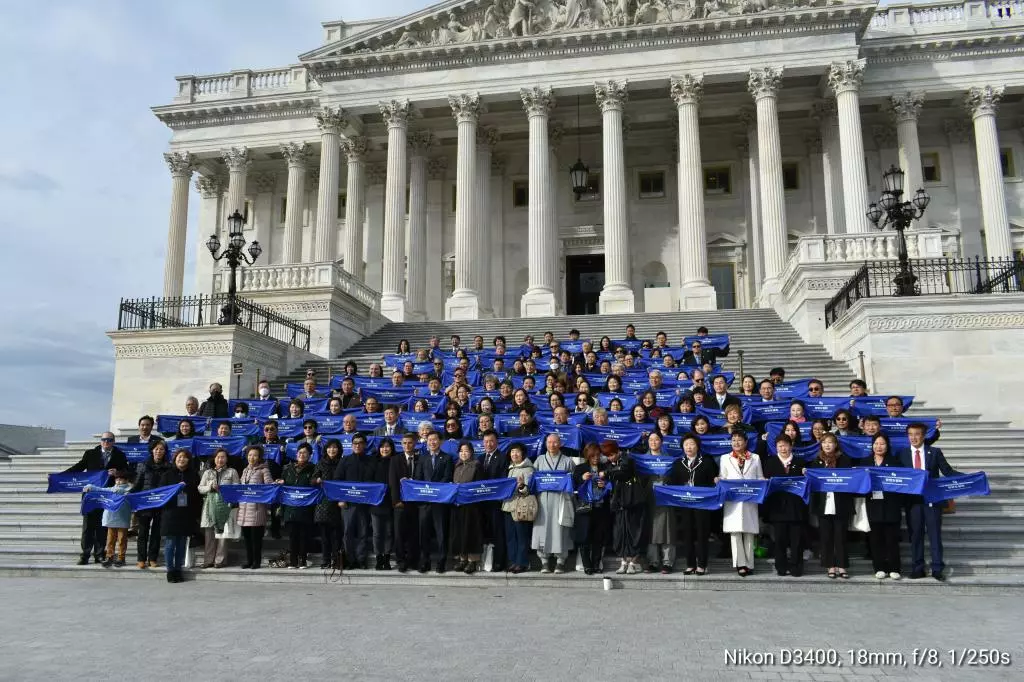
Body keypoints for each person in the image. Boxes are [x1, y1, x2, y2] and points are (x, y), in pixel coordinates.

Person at [898, 422, 960, 581]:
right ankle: (918, 568)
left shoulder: (935, 452)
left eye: (917, 434)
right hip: (913, 501)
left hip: (933, 499)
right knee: (916, 535)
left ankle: (937, 568)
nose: (914, 438)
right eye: (910, 434)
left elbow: (948, 471)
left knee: (934, 535)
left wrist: (969, 478)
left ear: (924, 436)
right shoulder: (902, 454)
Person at [65, 432, 128, 565]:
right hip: (91, 495)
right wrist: (60, 476)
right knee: (88, 526)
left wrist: (118, 473)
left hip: (107, 495)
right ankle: (85, 554)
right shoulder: (90, 453)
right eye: (104, 439)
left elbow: (127, 472)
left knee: (102, 525)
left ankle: (99, 554)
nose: (107, 442)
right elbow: (78, 467)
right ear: (100, 441)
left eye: (110, 440)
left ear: (114, 441)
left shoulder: (120, 455)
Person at [666, 433, 718, 575]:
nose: (689, 447)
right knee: (687, 534)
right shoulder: (678, 463)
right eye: (686, 444)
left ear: (697, 446)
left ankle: (702, 564)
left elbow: (712, 482)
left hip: (702, 504)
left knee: (702, 533)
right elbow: (673, 482)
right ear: (682, 447)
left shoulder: (707, 461)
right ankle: (690, 564)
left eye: (692, 444)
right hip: (685, 504)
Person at [807, 433, 853, 579]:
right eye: (824, 442)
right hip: (823, 504)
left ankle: (842, 566)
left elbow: (850, 480)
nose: (827, 445)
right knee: (826, 537)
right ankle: (830, 566)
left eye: (830, 442)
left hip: (840, 503)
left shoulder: (844, 460)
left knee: (841, 537)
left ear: (835, 445)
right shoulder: (816, 462)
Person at [761, 434, 807, 577]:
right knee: (780, 539)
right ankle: (781, 567)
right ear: (776, 448)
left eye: (785, 445)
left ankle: (796, 567)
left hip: (796, 507)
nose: (783, 448)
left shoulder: (800, 462)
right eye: (780, 446)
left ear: (791, 446)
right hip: (777, 507)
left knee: (796, 540)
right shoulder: (770, 462)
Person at [719, 431, 763, 577]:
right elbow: (723, 476)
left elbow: (759, 477)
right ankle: (740, 564)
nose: (736, 443)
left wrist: (764, 481)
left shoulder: (755, 458)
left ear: (745, 442)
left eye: (739, 440)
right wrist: (718, 479)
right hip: (733, 500)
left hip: (750, 499)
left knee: (749, 531)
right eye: (733, 440)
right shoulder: (725, 458)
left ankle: (750, 563)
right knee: (735, 532)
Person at [532, 433, 575, 574]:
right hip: (543, 500)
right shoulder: (539, 460)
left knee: (561, 529)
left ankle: (560, 561)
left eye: (555, 442)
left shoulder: (567, 461)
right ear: (546, 444)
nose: (552, 445)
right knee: (542, 529)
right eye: (549, 442)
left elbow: (573, 481)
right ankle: (544, 561)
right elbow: (533, 480)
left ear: (560, 443)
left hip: (561, 500)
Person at [864, 433, 904, 580]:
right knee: (875, 540)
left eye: (882, 444)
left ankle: (895, 568)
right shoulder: (865, 462)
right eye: (876, 443)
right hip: (872, 505)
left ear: (887, 446)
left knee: (892, 540)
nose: (879, 446)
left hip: (891, 505)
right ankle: (879, 567)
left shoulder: (895, 463)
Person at [414, 431, 454, 573]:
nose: (432, 442)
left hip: (440, 502)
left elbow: (447, 477)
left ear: (440, 441)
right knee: (423, 533)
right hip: (424, 503)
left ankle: (441, 561)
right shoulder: (422, 458)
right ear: (426, 442)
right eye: (429, 440)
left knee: (441, 533)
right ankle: (425, 561)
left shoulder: (447, 458)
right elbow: (418, 477)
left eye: (435, 440)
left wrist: (435, 490)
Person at [159, 449, 201, 584]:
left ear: (188, 460)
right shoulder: (167, 475)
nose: (181, 459)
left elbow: (197, 496)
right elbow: (161, 494)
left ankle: (178, 569)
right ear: (175, 459)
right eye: (179, 457)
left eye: (184, 457)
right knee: (170, 544)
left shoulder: (194, 475)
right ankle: (170, 571)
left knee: (182, 544)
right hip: (170, 513)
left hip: (186, 514)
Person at [606, 440, 647, 575]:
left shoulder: (627, 459)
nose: (610, 457)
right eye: (607, 455)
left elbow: (623, 473)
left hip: (633, 502)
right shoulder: (610, 464)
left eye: (611, 454)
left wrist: (607, 473)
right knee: (620, 534)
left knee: (634, 532)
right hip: (619, 504)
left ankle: (633, 563)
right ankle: (623, 562)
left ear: (617, 451)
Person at [333, 434, 373, 569]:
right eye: (355, 443)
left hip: (364, 504)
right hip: (348, 503)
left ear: (365, 445)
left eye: (360, 443)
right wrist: (340, 498)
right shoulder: (345, 460)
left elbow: (374, 482)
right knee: (347, 532)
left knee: (363, 533)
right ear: (351, 445)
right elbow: (337, 479)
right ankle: (350, 560)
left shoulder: (371, 461)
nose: (357, 445)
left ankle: (361, 559)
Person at [131, 440, 172, 568]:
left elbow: (170, 486)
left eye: (161, 449)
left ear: (165, 452)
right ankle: (141, 559)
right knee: (142, 532)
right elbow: (138, 484)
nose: (159, 451)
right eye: (156, 449)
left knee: (156, 533)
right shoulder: (143, 465)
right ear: (152, 450)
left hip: (161, 503)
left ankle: (153, 558)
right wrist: (129, 494)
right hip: (145, 504)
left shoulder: (169, 467)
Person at [572, 442, 610, 575]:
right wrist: (582, 479)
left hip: (600, 507)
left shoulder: (605, 467)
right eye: (593, 455)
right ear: (587, 455)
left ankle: (596, 564)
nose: (595, 458)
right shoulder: (580, 468)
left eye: (598, 455)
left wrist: (604, 484)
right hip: (585, 508)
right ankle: (587, 565)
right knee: (584, 537)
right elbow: (573, 484)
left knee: (598, 538)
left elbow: (611, 485)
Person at [198, 448, 240, 568]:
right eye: (218, 457)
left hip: (225, 507)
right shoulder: (207, 472)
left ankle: (220, 561)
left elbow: (237, 488)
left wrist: (224, 490)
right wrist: (210, 487)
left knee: (222, 535)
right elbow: (200, 488)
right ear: (214, 459)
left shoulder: (232, 472)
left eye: (223, 457)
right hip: (209, 507)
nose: (220, 459)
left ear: (227, 459)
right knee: (209, 534)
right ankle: (208, 560)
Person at [82, 470, 132, 568]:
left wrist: (123, 492)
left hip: (123, 517)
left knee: (122, 540)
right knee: (110, 540)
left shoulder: (129, 490)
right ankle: (109, 557)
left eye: (121, 479)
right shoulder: (112, 489)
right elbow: (101, 490)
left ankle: (121, 558)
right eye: (117, 479)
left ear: (126, 480)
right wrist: (91, 487)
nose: (118, 481)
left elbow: (131, 495)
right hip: (111, 517)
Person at [642, 432, 677, 574]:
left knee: (667, 529)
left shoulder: (669, 459)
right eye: (651, 439)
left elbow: (675, 478)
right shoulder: (642, 460)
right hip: (648, 498)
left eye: (656, 439)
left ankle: (668, 562)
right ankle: (653, 562)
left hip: (666, 498)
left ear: (661, 442)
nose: (654, 442)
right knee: (651, 529)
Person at [278, 442, 316, 569]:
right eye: (300, 452)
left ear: (310, 455)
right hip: (290, 508)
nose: (302, 455)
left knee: (304, 536)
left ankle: (303, 560)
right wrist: (281, 482)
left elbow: (315, 485)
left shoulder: (314, 469)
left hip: (306, 508)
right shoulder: (288, 469)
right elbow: (282, 483)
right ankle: (293, 561)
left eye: (305, 453)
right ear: (296, 454)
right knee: (292, 535)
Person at [449, 441, 485, 573]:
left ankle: (472, 561)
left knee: (471, 533)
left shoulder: (477, 466)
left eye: (467, 451)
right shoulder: (456, 466)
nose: (464, 453)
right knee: (459, 533)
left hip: (472, 507)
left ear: (471, 452)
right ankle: (462, 559)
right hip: (457, 506)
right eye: (461, 451)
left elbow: (479, 487)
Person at [238, 446, 275, 569]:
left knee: (256, 539)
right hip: (244, 509)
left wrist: (275, 483)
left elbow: (269, 487)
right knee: (247, 538)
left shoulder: (264, 470)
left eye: (254, 455)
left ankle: (256, 562)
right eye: (249, 455)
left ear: (259, 457)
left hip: (257, 509)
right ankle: (249, 561)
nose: (251, 457)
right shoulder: (244, 470)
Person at [479, 430, 509, 572]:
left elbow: (503, 480)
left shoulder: (503, 457)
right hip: (481, 502)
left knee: (498, 532)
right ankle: (484, 561)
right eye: (486, 442)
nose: (488, 444)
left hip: (496, 502)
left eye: (491, 441)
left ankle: (499, 561)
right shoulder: (479, 458)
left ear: (497, 442)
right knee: (485, 532)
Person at [312, 438, 345, 570]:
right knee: (325, 536)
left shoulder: (343, 463)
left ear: (339, 449)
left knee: (336, 535)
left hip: (338, 503)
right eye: (329, 447)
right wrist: (317, 480)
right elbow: (312, 479)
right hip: (323, 504)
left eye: (335, 447)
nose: (332, 450)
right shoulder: (321, 463)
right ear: (326, 449)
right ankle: (325, 560)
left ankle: (336, 560)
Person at [390, 433, 420, 573]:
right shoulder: (395, 459)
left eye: (409, 443)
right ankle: (401, 560)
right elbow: (392, 482)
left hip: (416, 502)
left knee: (414, 533)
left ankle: (413, 560)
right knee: (399, 533)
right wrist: (396, 501)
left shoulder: (421, 458)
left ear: (415, 444)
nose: (407, 445)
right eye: (404, 443)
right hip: (400, 503)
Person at [369, 437, 396, 570]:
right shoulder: (373, 462)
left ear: (391, 448)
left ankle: (387, 558)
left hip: (391, 503)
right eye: (382, 447)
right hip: (376, 503)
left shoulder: (396, 461)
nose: (385, 449)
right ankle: (379, 558)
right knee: (377, 533)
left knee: (389, 532)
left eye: (387, 446)